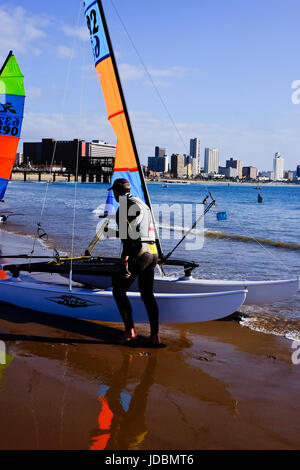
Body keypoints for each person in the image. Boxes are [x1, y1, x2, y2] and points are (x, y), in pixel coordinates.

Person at [107, 178, 162, 347]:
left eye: (114, 192)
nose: (114, 195)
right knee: (147, 295)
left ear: (116, 192)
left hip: (140, 253)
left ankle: (130, 332)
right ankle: (155, 336)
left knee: (118, 290)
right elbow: (140, 231)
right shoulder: (142, 203)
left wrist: (124, 263)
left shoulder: (123, 206)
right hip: (153, 253)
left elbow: (127, 240)